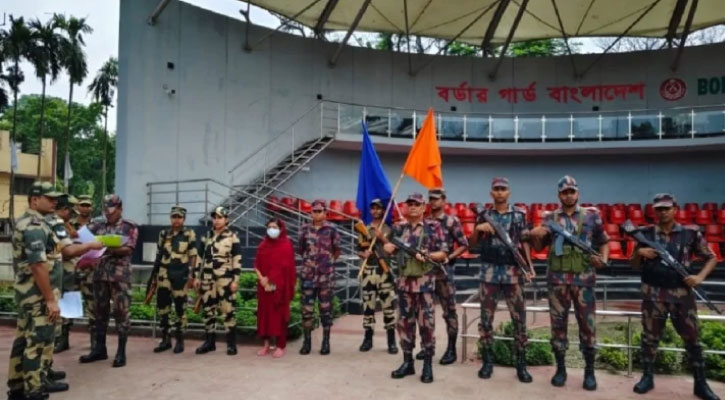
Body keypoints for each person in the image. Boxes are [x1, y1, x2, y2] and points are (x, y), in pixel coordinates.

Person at [7, 182, 102, 400]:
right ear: (34, 200)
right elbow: (38, 265)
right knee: (37, 342)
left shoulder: (36, 223)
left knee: (24, 339)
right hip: (37, 296)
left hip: (30, 294)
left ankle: (17, 386)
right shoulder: (34, 226)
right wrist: (50, 299)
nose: (54, 202)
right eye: (49, 199)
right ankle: (33, 390)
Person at [630, 194, 720, 400]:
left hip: (682, 296)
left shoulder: (690, 234)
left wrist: (699, 278)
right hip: (653, 294)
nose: (663, 212)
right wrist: (640, 253)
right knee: (649, 339)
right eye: (659, 209)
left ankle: (700, 384)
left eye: (667, 208)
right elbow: (634, 264)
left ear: (675, 209)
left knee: (693, 339)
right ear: (655, 211)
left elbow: (712, 258)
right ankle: (647, 377)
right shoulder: (644, 234)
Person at [530, 175, 609, 391]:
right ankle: (561, 369)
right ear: (559, 195)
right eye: (564, 192)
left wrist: (603, 259)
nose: (568, 195)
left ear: (577, 193)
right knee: (558, 326)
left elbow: (604, 242)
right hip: (557, 281)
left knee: (588, 326)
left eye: (572, 191)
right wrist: (535, 234)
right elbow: (538, 248)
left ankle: (589, 372)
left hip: (584, 281)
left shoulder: (592, 216)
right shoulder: (549, 218)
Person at [469, 177, 534, 383]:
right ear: (491, 193)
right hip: (489, 273)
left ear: (509, 192)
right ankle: (487, 362)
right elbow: (471, 246)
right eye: (496, 189)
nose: (499, 192)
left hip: (513, 274)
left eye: (503, 189)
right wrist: (478, 229)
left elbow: (524, 243)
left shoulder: (519, 215)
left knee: (519, 320)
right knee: (486, 320)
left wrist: (529, 266)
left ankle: (521, 365)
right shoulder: (484, 216)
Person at [383, 193, 448, 384]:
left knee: (427, 325)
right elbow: (390, 248)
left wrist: (428, 254)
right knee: (404, 324)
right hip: (404, 285)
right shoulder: (398, 228)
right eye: (409, 204)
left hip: (425, 285)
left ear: (423, 208)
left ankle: (427, 364)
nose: (412, 207)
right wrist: (388, 247)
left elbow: (444, 253)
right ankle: (407, 362)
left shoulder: (433, 227)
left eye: (416, 204)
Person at [80, 194, 139, 368]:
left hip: (119, 277)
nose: (108, 212)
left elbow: (128, 249)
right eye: (106, 209)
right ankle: (100, 349)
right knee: (100, 313)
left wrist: (105, 245)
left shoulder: (129, 226)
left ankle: (121, 352)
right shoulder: (97, 225)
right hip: (100, 275)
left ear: (120, 208)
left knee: (121, 313)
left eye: (111, 209)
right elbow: (81, 238)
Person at [423, 188, 468, 365]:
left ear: (444, 200)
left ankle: (451, 349)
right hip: (426, 273)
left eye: (437, 199)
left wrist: (449, 257)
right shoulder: (424, 221)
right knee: (425, 313)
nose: (433, 202)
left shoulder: (451, 221)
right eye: (431, 199)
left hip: (444, 274)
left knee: (449, 312)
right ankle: (428, 347)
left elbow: (463, 244)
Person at [193, 206, 242, 356]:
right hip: (207, 280)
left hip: (225, 280)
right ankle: (209, 342)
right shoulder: (206, 236)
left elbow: (237, 259)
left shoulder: (232, 236)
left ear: (226, 219)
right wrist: (196, 276)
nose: (217, 220)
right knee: (208, 311)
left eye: (220, 217)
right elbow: (199, 257)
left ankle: (231, 344)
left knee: (228, 311)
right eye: (214, 217)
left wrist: (236, 280)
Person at [150, 205, 197, 354]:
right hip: (164, 274)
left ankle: (180, 340)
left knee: (180, 308)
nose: (176, 220)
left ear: (184, 219)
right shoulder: (164, 234)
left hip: (180, 275)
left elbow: (193, 255)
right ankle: (165, 339)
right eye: (174, 217)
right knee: (163, 307)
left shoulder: (189, 233)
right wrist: (155, 277)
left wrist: (191, 274)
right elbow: (158, 255)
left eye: (179, 217)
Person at [297, 200, 341, 355]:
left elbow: (337, 250)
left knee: (326, 311)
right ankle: (307, 342)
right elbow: (301, 249)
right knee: (306, 311)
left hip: (325, 279)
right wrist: (312, 263)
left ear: (325, 212)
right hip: (308, 277)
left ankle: (326, 342)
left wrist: (327, 263)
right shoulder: (304, 229)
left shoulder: (332, 229)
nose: (316, 214)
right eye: (314, 211)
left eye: (319, 211)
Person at [357, 199, 397, 354]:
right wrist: (363, 254)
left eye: (378, 208)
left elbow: (392, 250)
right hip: (368, 271)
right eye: (372, 208)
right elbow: (358, 249)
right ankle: (368, 339)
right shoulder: (363, 229)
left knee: (388, 307)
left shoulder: (389, 229)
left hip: (384, 272)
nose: (375, 211)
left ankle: (391, 341)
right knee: (368, 307)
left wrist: (381, 237)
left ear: (383, 211)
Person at [254, 219, 296, 358]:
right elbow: (256, 265)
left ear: (281, 229)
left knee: (278, 316)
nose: (272, 229)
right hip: (263, 286)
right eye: (269, 227)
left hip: (279, 287)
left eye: (275, 227)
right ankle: (266, 345)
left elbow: (285, 267)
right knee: (264, 315)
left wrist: (269, 280)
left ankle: (280, 345)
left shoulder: (286, 245)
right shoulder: (262, 245)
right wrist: (262, 279)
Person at [53, 194, 80, 354]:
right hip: (59, 272)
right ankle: (59, 339)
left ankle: (64, 338)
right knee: (58, 307)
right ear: (63, 209)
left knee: (69, 305)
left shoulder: (66, 225)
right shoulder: (55, 225)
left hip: (69, 273)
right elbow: (67, 251)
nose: (72, 214)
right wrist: (90, 246)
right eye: (70, 211)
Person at [71, 194, 96, 353]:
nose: (85, 208)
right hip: (72, 268)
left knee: (92, 306)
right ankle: (63, 338)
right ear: (78, 207)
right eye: (82, 205)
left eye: (88, 205)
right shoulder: (69, 225)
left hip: (90, 271)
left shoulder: (97, 225)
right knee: (69, 302)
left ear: (91, 207)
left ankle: (94, 340)